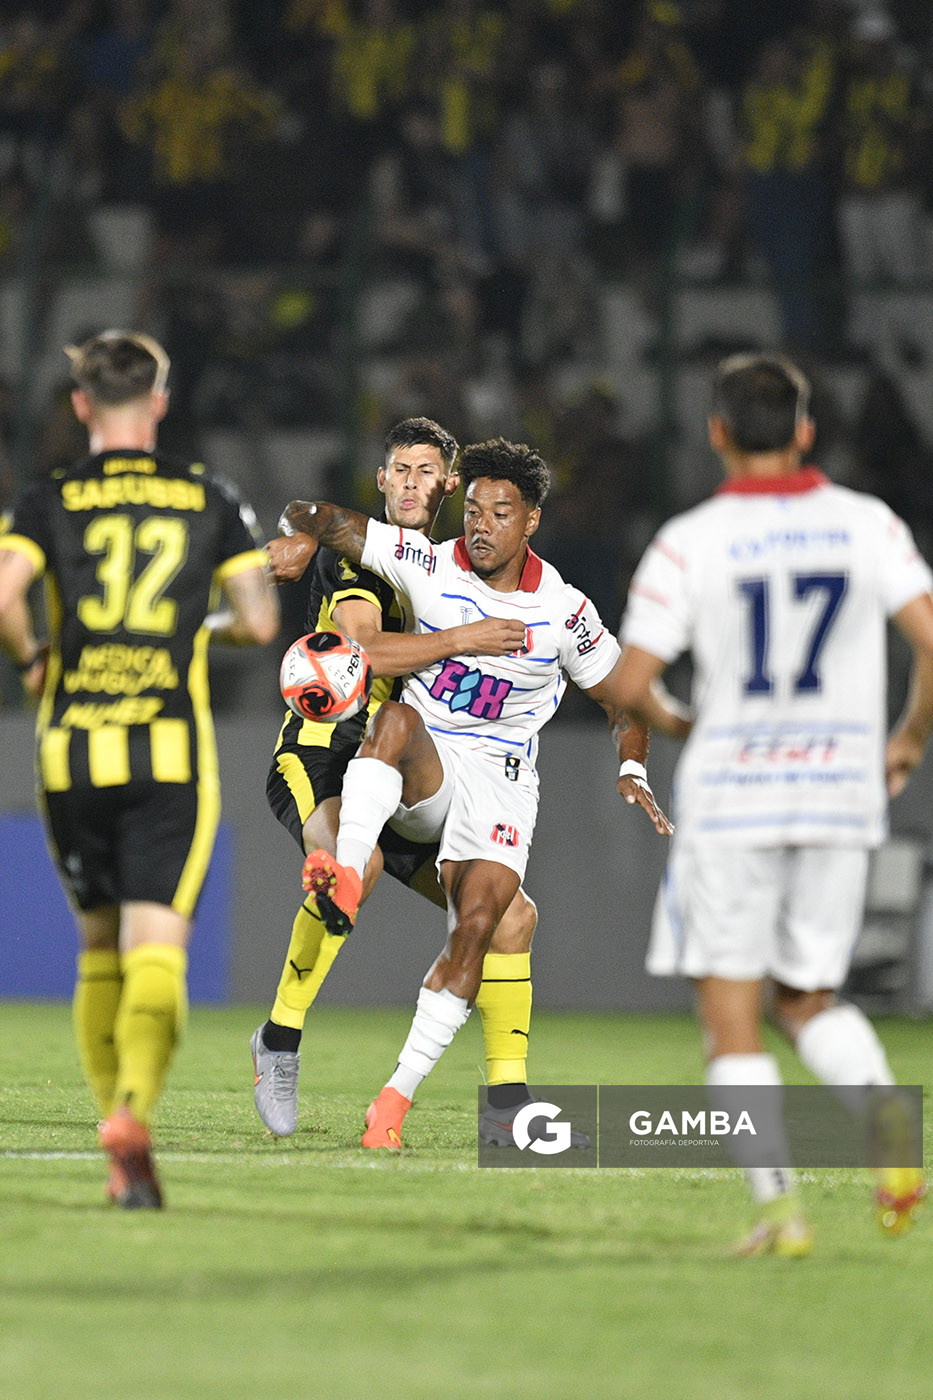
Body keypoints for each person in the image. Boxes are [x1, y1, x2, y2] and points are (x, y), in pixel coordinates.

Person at [615, 353, 933, 1254]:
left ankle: (780, 1212)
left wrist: (679, 723)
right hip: (838, 789)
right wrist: (905, 739)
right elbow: (929, 640)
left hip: (732, 795)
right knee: (807, 999)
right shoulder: (866, 525)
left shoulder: (691, 539)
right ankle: (891, 1143)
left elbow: (632, 680)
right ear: (804, 430)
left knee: (731, 1016)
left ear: (714, 433)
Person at [279, 437, 673, 1149]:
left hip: (501, 787)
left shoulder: (564, 611)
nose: (481, 525)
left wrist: (632, 767)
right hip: (427, 766)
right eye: (472, 511)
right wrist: (299, 533)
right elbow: (324, 515)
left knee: (485, 927)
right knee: (395, 717)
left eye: (499, 512)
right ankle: (343, 868)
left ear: (531, 522)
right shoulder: (427, 562)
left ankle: (394, 1102)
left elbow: (625, 701)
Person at [0, 330, 279, 1208]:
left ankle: (108, 1125)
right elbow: (260, 624)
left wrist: (33, 657)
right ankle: (132, 1112)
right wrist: (199, 631)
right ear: (159, 402)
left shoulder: (49, 498)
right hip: (167, 750)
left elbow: (5, 591)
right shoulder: (208, 497)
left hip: (72, 748)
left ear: (80, 406)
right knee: (156, 948)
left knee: (96, 949)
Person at [253, 417, 542, 1143]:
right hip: (324, 754)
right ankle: (279, 1041)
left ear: (450, 484)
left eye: (426, 472)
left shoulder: (447, 571)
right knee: (359, 862)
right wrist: (461, 640)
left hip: (407, 772)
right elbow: (361, 649)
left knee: (511, 916)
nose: (411, 484)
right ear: (380, 481)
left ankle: (508, 1103)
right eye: (398, 471)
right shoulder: (363, 562)